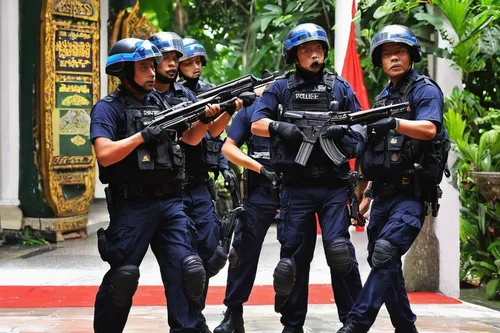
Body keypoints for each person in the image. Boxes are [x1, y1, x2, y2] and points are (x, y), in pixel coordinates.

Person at [91, 38, 215, 333]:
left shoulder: (162, 102)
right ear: (124, 70)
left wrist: (208, 119)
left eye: (151, 65)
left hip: (172, 203)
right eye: (144, 66)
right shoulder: (109, 108)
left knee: (189, 271)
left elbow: (190, 140)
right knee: (123, 278)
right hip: (132, 205)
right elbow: (105, 155)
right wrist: (142, 137)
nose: (152, 71)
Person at [250, 23, 365, 333]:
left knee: (340, 252)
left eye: (318, 49)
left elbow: (361, 127)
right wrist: (280, 128)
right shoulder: (281, 88)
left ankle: (353, 322)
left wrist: (345, 135)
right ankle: (292, 324)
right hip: (295, 186)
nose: (314, 55)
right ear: (294, 55)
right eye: (306, 50)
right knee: (292, 260)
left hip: (332, 185)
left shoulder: (340, 87)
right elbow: (256, 124)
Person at [337, 25, 449, 333]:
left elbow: (430, 129)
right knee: (384, 263)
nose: (394, 58)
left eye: (399, 52)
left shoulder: (424, 90)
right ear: (380, 62)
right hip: (382, 197)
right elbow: (380, 153)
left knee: (385, 253)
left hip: (410, 195)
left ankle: (355, 325)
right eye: (387, 54)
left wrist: (396, 122)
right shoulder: (384, 96)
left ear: (411, 55)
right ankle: (405, 327)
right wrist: (367, 197)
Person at [148, 32, 241, 333]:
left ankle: (194, 318)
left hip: (199, 186)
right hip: (168, 191)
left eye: (178, 58)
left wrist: (228, 109)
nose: (174, 64)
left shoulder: (188, 96)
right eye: (169, 58)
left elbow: (209, 134)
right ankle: (185, 324)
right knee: (181, 264)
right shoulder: (146, 99)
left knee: (204, 259)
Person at [214, 100, 280, 333]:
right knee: (241, 252)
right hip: (259, 190)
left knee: (295, 255)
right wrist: (258, 167)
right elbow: (228, 147)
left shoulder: (292, 103)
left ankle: (293, 319)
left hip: (295, 189)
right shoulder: (250, 111)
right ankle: (233, 313)